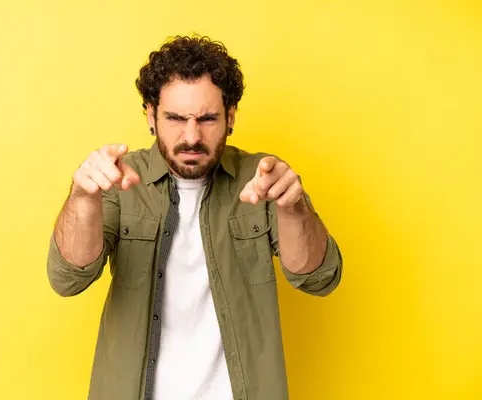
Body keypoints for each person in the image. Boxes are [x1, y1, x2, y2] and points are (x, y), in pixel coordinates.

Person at [47, 35, 343, 400]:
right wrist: (83, 198)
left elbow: (319, 277)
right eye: (174, 118)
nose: (191, 136)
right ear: (150, 115)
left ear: (230, 117)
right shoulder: (120, 180)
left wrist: (294, 208)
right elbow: (68, 278)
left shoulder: (263, 178)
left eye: (207, 119)